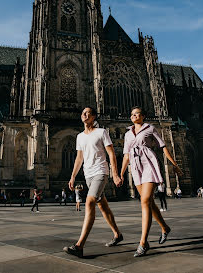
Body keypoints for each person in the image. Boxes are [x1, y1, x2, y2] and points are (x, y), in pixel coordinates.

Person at [120, 106, 183, 257]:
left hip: (149, 163)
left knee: (145, 200)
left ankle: (143, 242)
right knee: (148, 202)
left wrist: (175, 165)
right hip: (135, 167)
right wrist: (120, 174)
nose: (134, 116)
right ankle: (165, 227)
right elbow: (126, 156)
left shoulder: (150, 128)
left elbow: (163, 147)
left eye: (137, 114)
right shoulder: (128, 134)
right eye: (132, 114)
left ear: (143, 116)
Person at [63, 107, 123, 258]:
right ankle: (117, 234)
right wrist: (72, 176)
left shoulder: (102, 132)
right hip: (88, 175)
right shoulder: (80, 137)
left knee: (89, 202)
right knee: (103, 206)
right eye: (83, 112)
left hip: (100, 172)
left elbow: (111, 153)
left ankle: (79, 246)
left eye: (88, 112)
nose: (84, 114)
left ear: (94, 117)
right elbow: (79, 158)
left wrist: (115, 174)